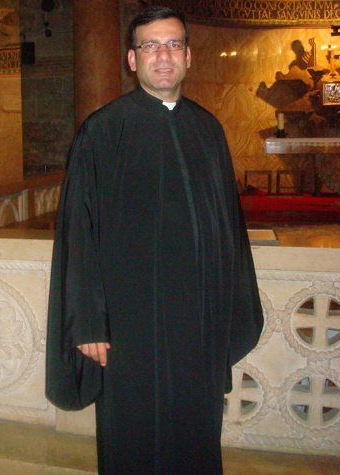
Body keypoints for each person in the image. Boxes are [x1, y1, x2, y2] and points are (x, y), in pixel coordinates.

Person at [45, 6, 264, 475]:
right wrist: (87, 323)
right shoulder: (102, 132)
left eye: (173, 44)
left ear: (188, 56)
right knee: (133, 438)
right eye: (150, 46)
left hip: (197, 322)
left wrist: (230, 310)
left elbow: (230, 228)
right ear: (131, 59)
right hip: (129, 326)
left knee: (196, 434)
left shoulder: (208, 130)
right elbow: (78, 233)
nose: (163, 55)